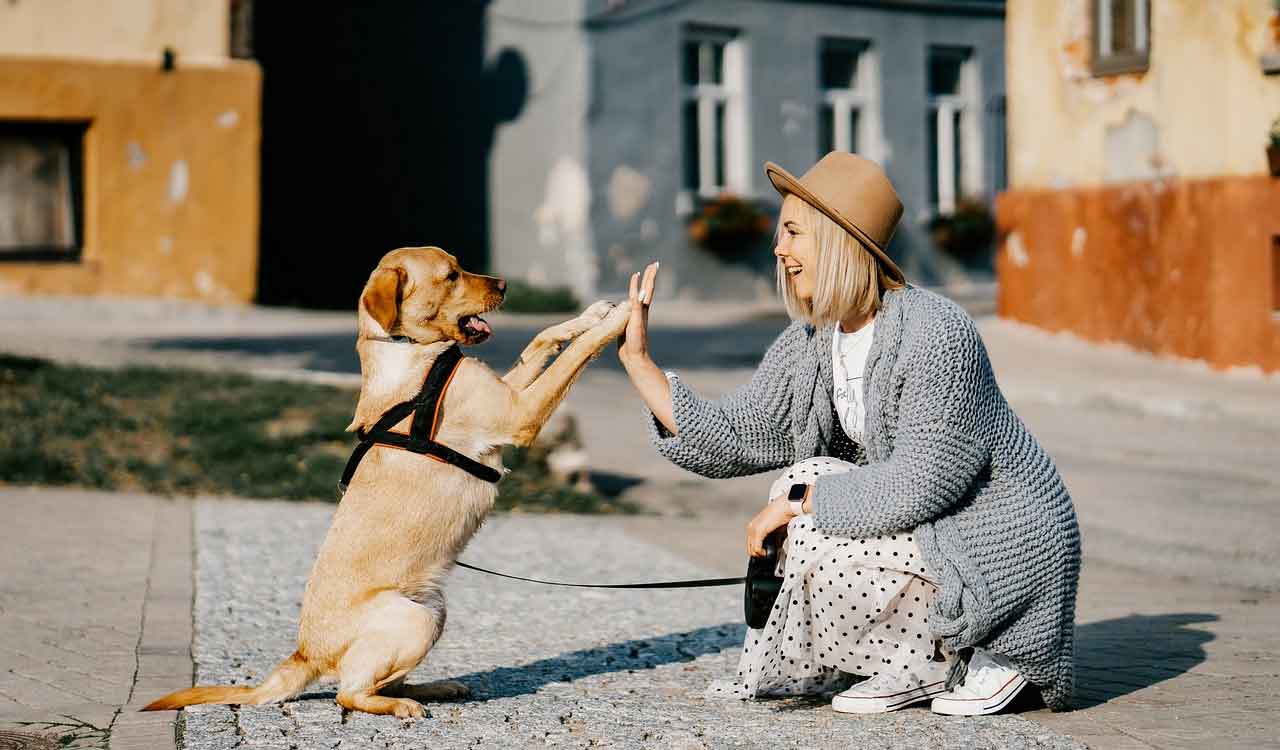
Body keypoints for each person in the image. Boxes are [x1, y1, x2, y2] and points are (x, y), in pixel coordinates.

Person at [616, 152, 1080, 715]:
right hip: (933, 530)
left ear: (838, 240)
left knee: (805, 504)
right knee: (802, 479)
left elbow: (922, 483)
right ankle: (909, 660)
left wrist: (798, 506)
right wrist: (640, 364)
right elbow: (737, 434)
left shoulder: (936, 332)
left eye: (792, 232)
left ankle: (968, 653)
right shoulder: (814, 339)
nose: (778, 249)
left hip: (999, 542)